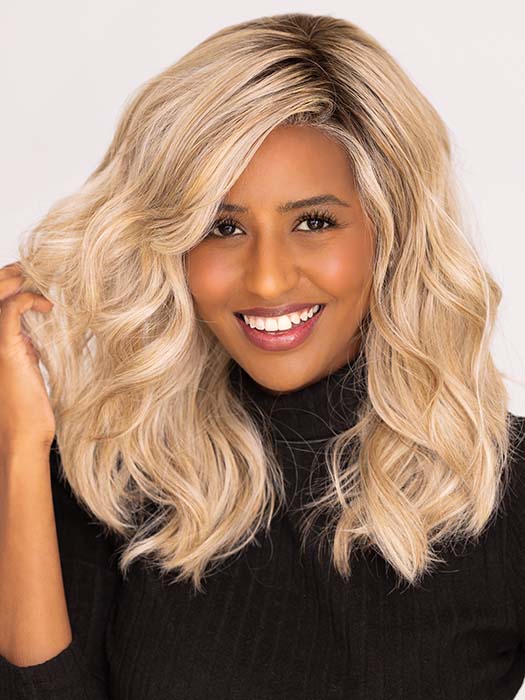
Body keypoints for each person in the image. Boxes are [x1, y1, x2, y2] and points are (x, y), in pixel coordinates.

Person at [0, 12, 524, 700]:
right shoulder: (110, 473)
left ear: (391, 234)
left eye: (314, 222)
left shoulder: (502, 489)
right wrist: (19, 448)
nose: (268, 280)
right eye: (222, 227)